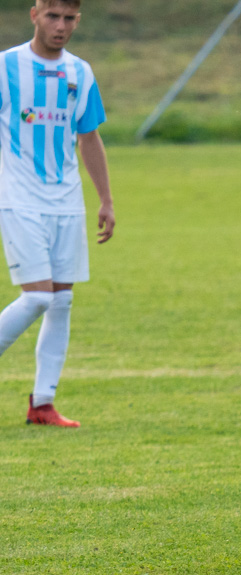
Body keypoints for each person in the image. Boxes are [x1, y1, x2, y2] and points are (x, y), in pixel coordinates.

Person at [0, 0, 115, 428]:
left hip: (66, 200)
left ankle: (43, 402)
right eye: (53, 16)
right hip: (18, 197)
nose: (61, 26)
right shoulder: (6, 66)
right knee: (37, 296)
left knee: (61, 300)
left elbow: (89, 137)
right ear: (34, 14)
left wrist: (105, 199)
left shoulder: (80, 72)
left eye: (69, 18)